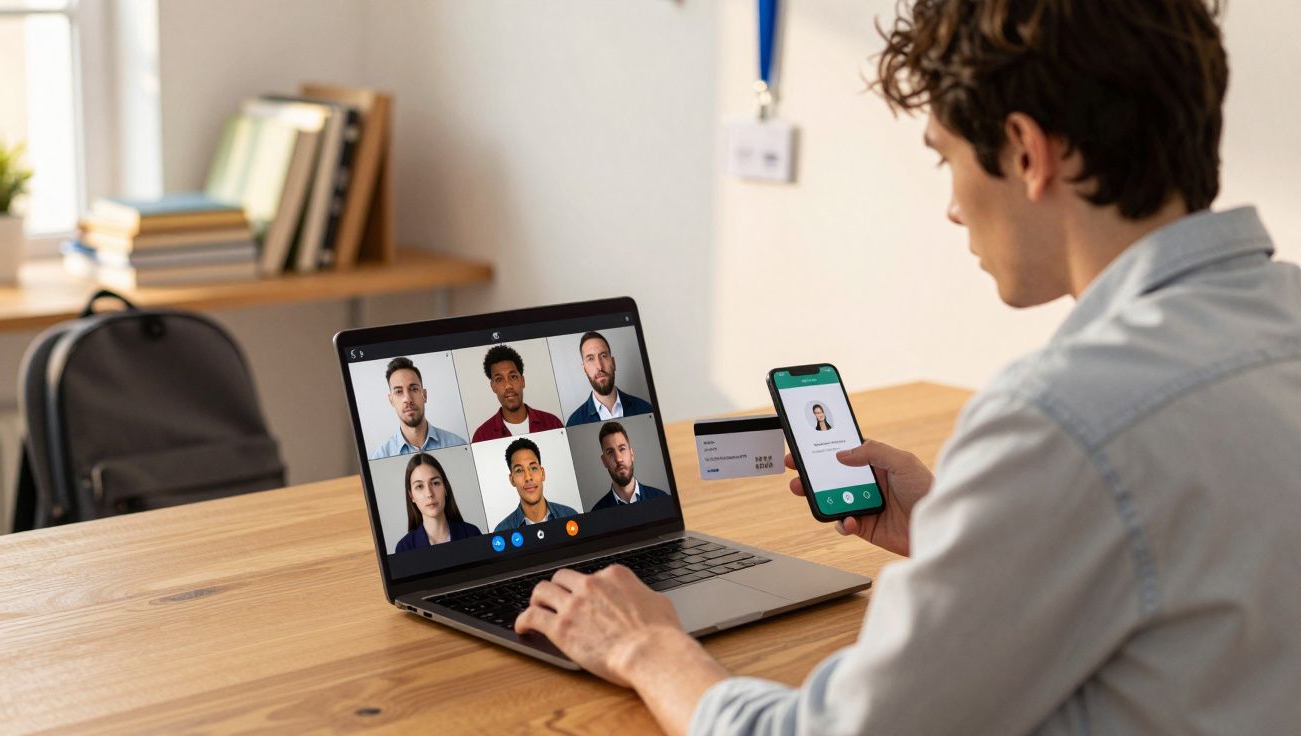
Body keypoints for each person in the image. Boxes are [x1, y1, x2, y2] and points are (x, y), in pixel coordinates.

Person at [514, 1, 1301, 733]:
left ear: (1027, 152)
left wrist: (646, 648)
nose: (954, 206)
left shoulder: (1062, 421)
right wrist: (963, 531)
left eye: (945, 157)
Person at [369, 357, 466, 459]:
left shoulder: (458, 445)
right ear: (391, 400)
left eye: (414, 389)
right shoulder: (380, 457)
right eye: (398, 391)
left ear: (424, 395)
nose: (407, 398)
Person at [471, 345, 564, 443]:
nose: (508, 386)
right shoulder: (482, 436)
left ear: (523, 381)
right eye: (499, 379)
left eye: (513, 377)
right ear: (493, 387)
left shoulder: (552, 424)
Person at [394, 453, 481, 552]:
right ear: (411, 496)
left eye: (435, 483)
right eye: (419, 486)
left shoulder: (472, 534)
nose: (429, 494)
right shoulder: (404, 548)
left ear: (445, 488)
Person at [565, 331, 654, 426]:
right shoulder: (574, 424)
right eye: (590, 358)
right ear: (585, 369)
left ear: (613, 363)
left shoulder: (646, 410)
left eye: (603, 356)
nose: (599, 366)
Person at [493, 437, 578, 531]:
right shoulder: (502, 531)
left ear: (543, 473)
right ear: (512, 480)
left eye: (533, 468)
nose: (528, 477)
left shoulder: (571, 516)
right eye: (519, 470)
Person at [589, 421, 669, 512]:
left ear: (631, 454)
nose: (618, 459)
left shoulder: (662, 499)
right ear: (604, 461)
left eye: (622, 449)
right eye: (610, 452)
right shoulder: (597, 513)